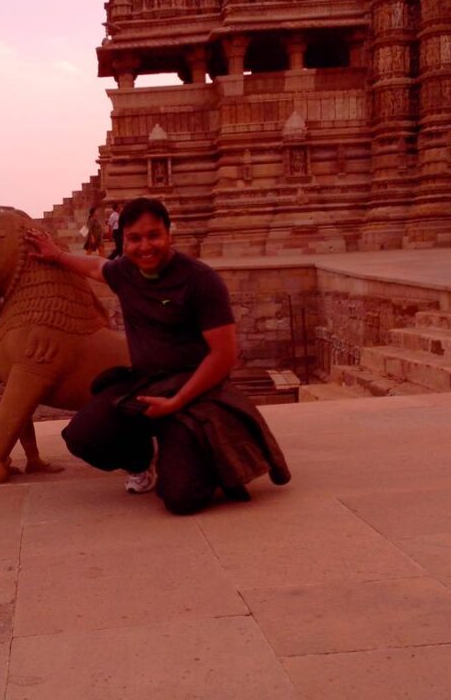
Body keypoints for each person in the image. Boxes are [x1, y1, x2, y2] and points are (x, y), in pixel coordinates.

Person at [24, 197, 289, 515]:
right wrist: (56, 255)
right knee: (82, 437)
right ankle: (141, 460)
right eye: (134, 238)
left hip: (195, 391)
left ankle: (195, 453)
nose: (145, 246)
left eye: (154, 236)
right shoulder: (126, 272)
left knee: (182, 500)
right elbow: (97, 267)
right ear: (123, 240)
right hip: (145, 385)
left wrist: (177, 402)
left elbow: (224, 354)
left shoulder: (201, 281)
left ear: (169, 234)